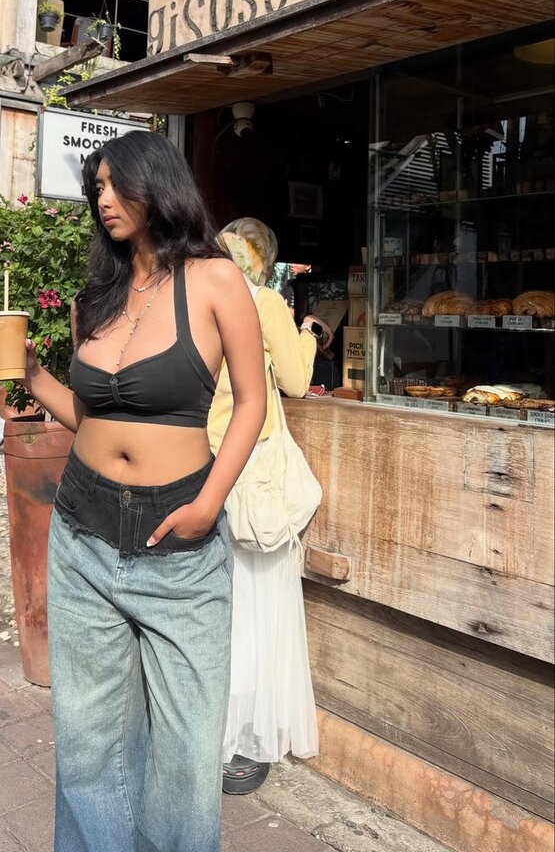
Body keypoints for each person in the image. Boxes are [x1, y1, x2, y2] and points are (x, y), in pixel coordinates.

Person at [14, 130, 266, 852]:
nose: (102, 199)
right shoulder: (96, 297)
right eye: (94, 187)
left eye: (113, 184)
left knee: (186, 753)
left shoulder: (214, 280)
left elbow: (251, 402)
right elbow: (92, 416)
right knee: (87, 741)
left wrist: (208, 505)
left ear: (156, 184)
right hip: (83, 529)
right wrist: (32, 377)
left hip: (177, 543)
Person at [208, 218, 324, 795]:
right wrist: (310, 334)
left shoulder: (198, 298)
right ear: (265, 261)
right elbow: (298, 382)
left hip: (204, 462)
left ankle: (211, 728)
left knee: (217, 604)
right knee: (257, 605)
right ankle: (247, 739)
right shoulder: (262, 301)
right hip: (252, 467)